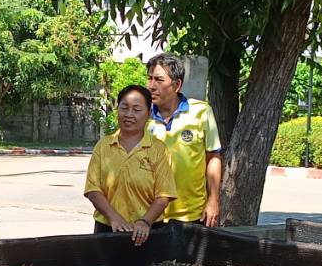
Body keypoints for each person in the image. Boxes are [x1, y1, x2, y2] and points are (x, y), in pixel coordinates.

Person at [85, 84, 175, 245]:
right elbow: (93, 190)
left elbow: (164, 195)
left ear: (148, 113)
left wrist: (145, 221)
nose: (129, 114)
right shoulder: (103, 146)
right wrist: (114, 218)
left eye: (137, 109)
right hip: (107, 229)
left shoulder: (158, 149)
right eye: (124, 108)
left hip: (149, 231)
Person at [145, 53, 223, 226]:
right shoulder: (142, 115)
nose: (151, 86)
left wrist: (213, 200)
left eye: (159, 80)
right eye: (149, 79)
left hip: (192, 214)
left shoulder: (202, 112)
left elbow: (213, 157)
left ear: (177, 85)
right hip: (149, 215)